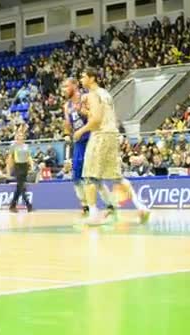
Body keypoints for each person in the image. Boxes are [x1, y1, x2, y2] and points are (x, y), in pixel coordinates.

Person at [74, 68, 149, 224]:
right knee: (117, 176)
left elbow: (96, 120)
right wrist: (85, 112)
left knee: (89, 176)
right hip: (112, 135)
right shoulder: (106, 94)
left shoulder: (93, 95)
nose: (81, 79)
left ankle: (93, 215)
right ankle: (141, 206)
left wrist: (80, 131)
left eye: (83, 76)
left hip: (100, 135)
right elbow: (103, 115)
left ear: (92, 78)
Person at [63, 78, 90, 216]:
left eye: (66, 86)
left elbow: (94, 117)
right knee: (76, 175)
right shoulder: (66, 105)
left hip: (91, 137)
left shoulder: (85, 98)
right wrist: (67, 134)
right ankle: (85, 205)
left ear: (75, 85)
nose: (64, 90)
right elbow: (67, 123)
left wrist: (81, 111)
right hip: (79, 141)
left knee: (92, 174)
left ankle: (105, 205)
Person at [6, 131, 33, 213]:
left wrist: (31, 165)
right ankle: (28, 204)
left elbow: (29, 157)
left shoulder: (26, 146)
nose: (20, 137)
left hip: (25, 166)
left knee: (19, 188)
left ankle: (12, 206)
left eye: (21, 135)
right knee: (22, 186)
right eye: (19, 136)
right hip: (18, 166)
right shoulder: (13, 146)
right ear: (16, 137)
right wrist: (9, 170)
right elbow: (10, 158)